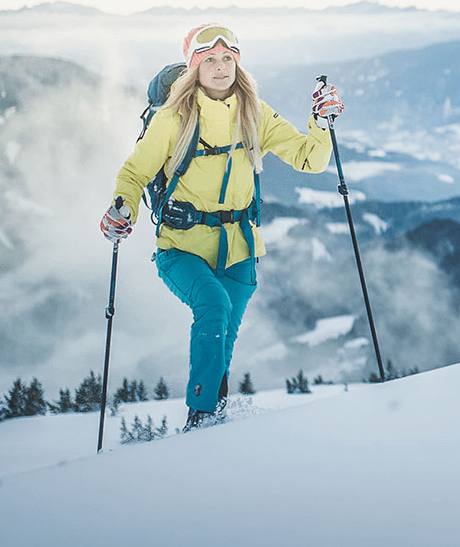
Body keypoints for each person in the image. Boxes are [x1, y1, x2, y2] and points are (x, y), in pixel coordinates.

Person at [100, 24, 343, 431]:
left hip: (240, 247)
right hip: (181, 247)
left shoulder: (255, 113)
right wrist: (121, 210)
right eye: (209, 59)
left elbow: (310, 160)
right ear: (194, 66)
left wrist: (320, 122)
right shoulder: (172, 118)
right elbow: (134, 172)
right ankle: (202, 416)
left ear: (237, 62)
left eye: (227, 58)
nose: (220, 67)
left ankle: (216, 418)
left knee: (224, 335)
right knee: (213, 308)